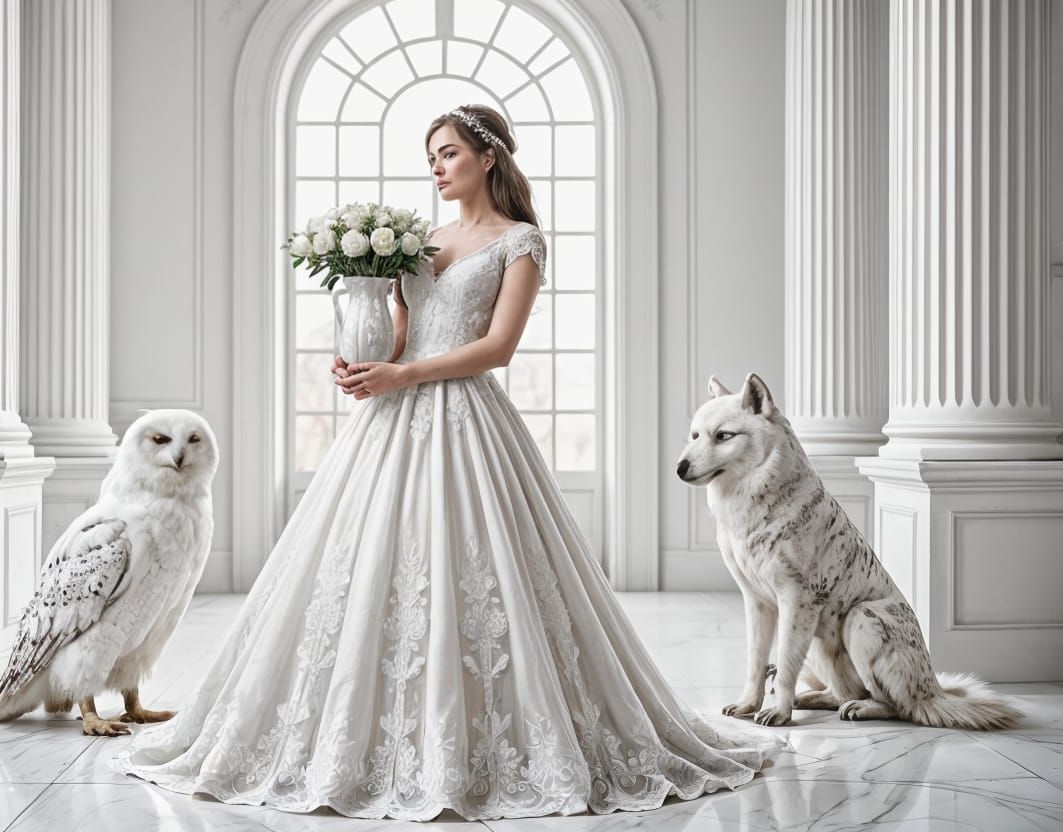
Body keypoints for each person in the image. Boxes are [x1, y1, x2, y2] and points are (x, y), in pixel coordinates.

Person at [113, 104, 777, 821]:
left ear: (488, 158)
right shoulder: (421, 242)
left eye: (449, 152)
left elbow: (497, 348)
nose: (436, 165)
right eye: (430, 155)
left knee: (486, 577)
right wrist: (370, 364)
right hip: (392, 421)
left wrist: (404, 376)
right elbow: (404, 337)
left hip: (469, 422)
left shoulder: (521, 243)